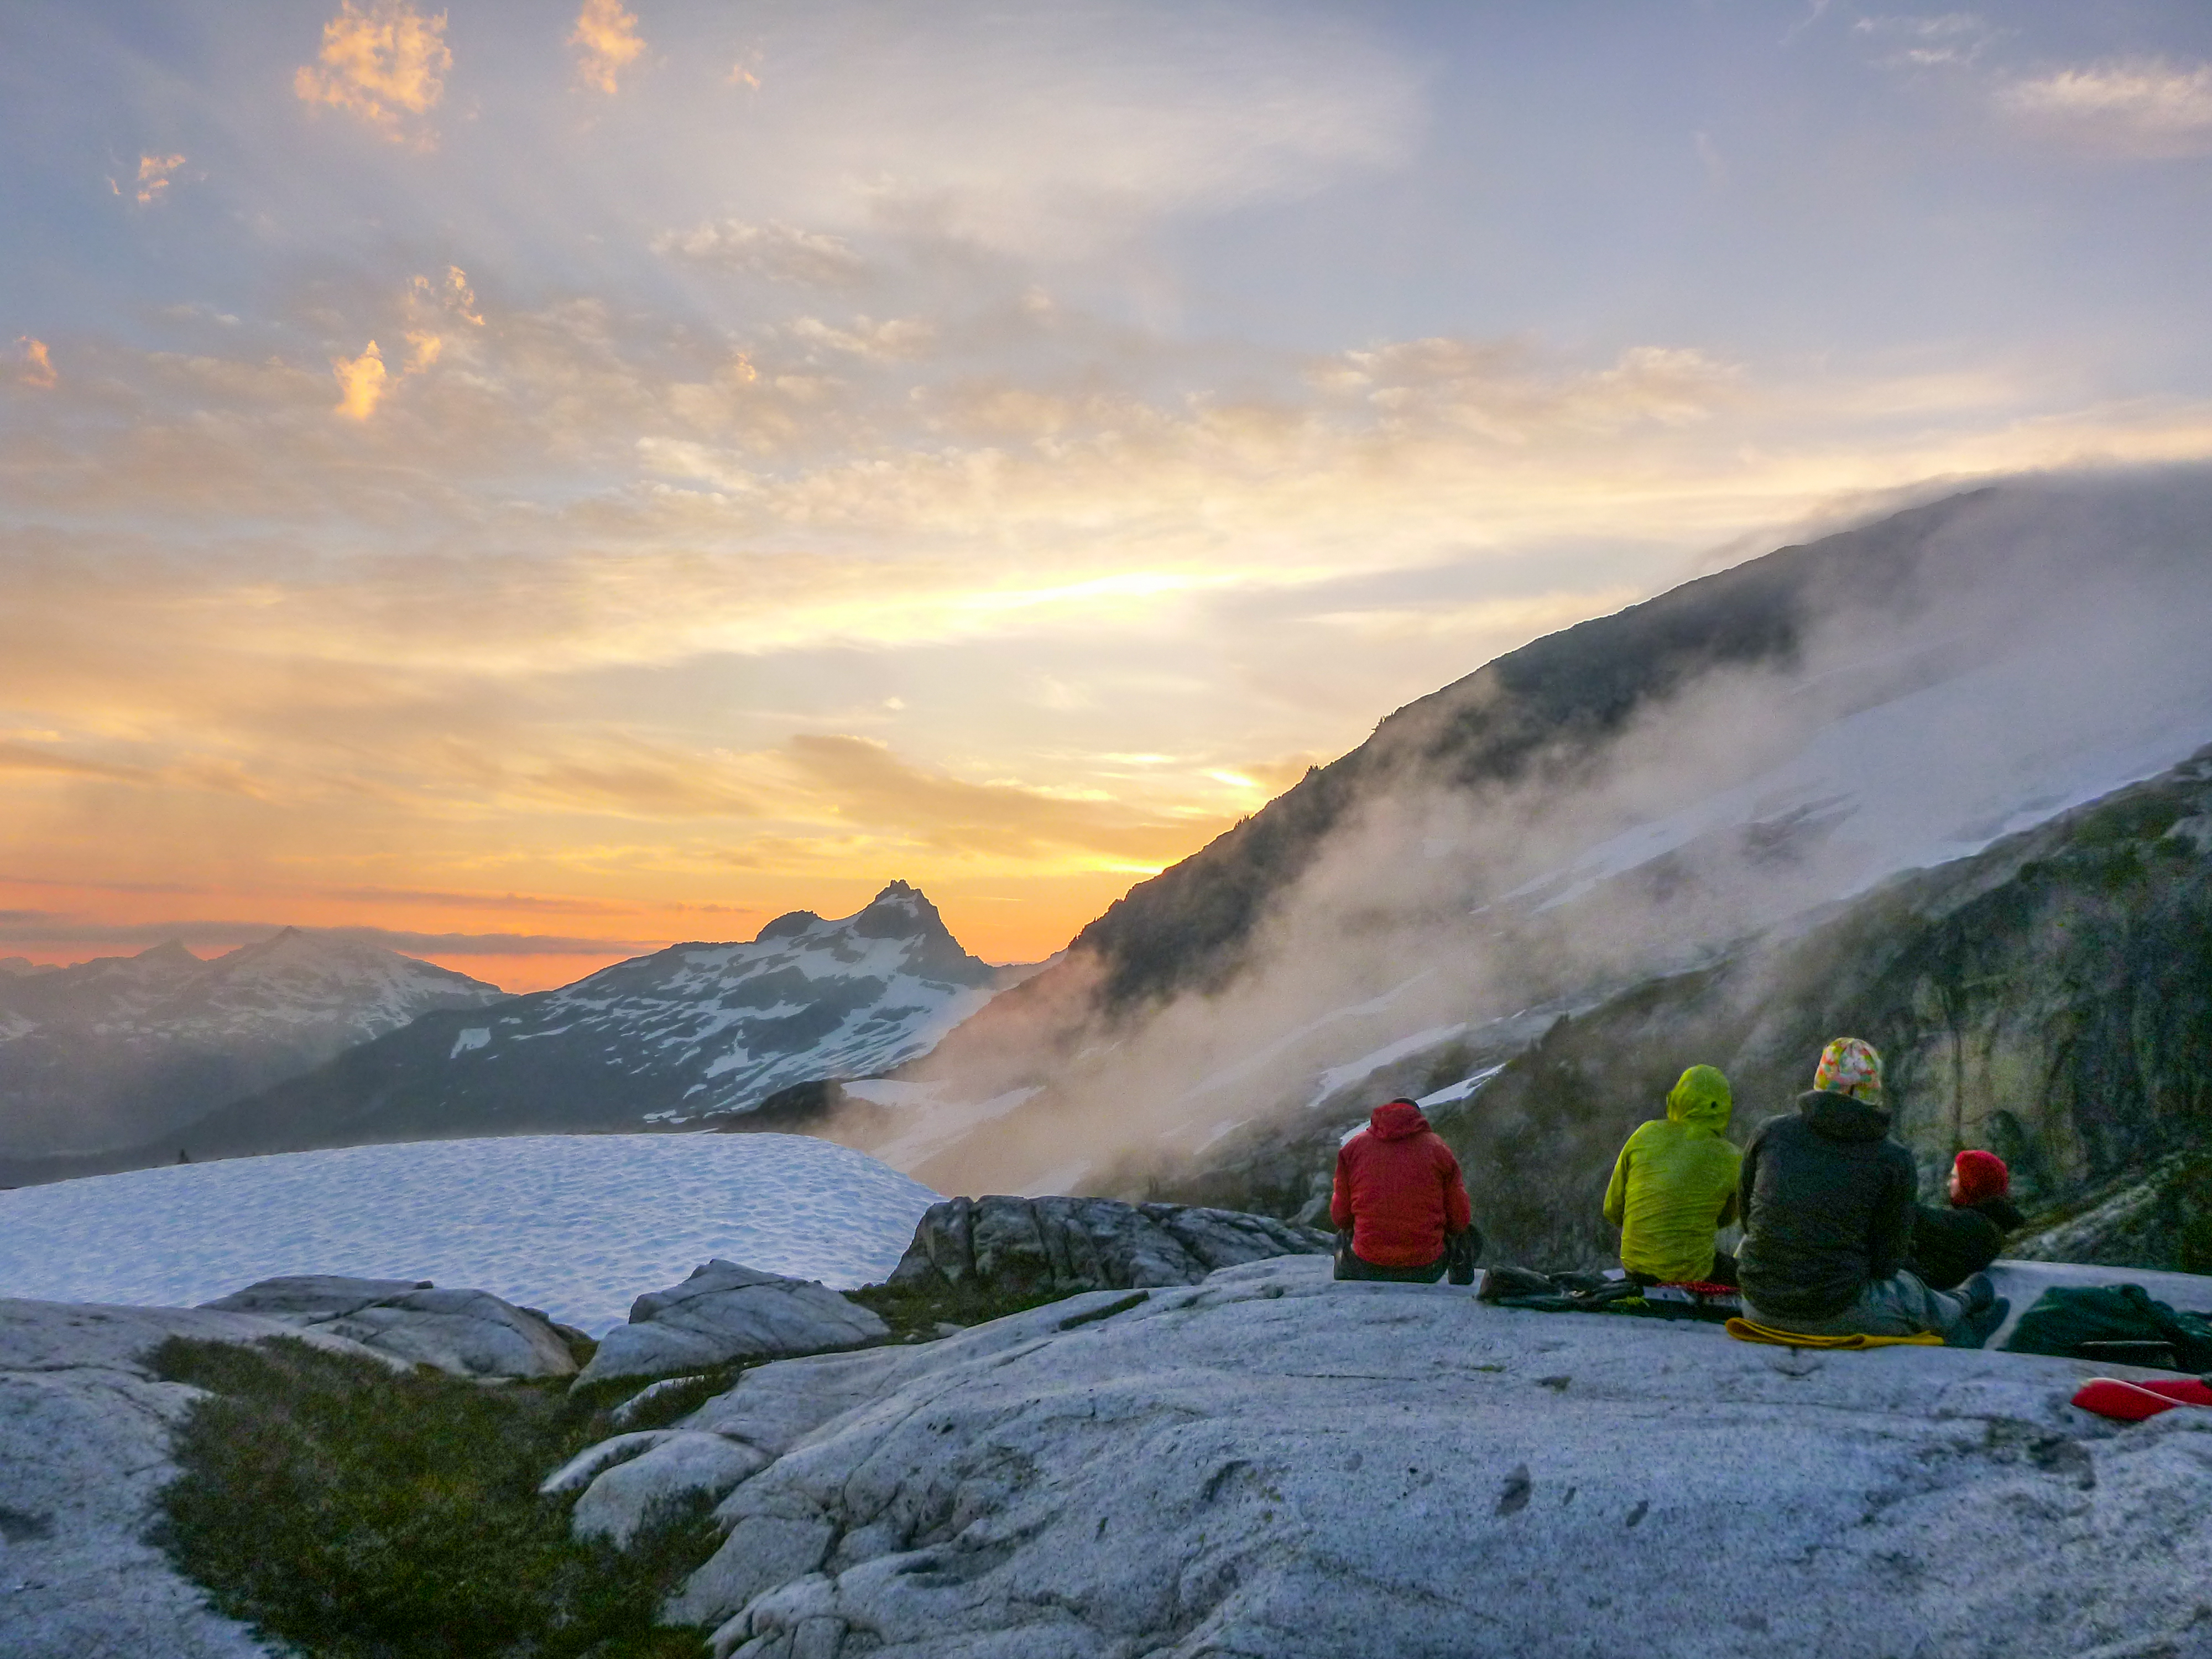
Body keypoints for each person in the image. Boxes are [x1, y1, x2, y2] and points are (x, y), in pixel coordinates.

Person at [1736, 1038, 1993, 1340]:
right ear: (1874, 1088)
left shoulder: (1770, 1132)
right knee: (1907, 1290)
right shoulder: (1893, 1159)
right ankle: (1963, 1308)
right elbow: (1887, 1264)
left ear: (1821, 1078)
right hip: (1834, 1311)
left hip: (1756, 1304)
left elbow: (1747, 1216)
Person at [1601, 1064, 1742, 1287]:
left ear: (1678, 1098)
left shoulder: (1645, 1134)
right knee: (1747, 1274)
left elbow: (1612, 1210)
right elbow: (1727, 1218)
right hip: (1693, 1273)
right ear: (1724, 1108)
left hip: (1635, 1270)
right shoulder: (1733, 1158)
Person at [1331, 1097, 1480, 1284]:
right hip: (1426, 1269)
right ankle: (1460, 1281)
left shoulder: (1353, 1148)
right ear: (1418, 1118)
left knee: (1340, 1238)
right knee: (1468, 1233)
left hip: (1366, 1266)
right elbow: (1459, 1220)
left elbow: (1340, 1218)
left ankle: (1345, 1271)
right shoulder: (1438, 1148)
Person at [1910, 1149, 2023, 1291]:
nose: (1948, 1184)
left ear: (1972, 1183)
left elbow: (1914, 1218)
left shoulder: (1978, 1227)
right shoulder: (1984, 1225)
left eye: (1955, 1177)